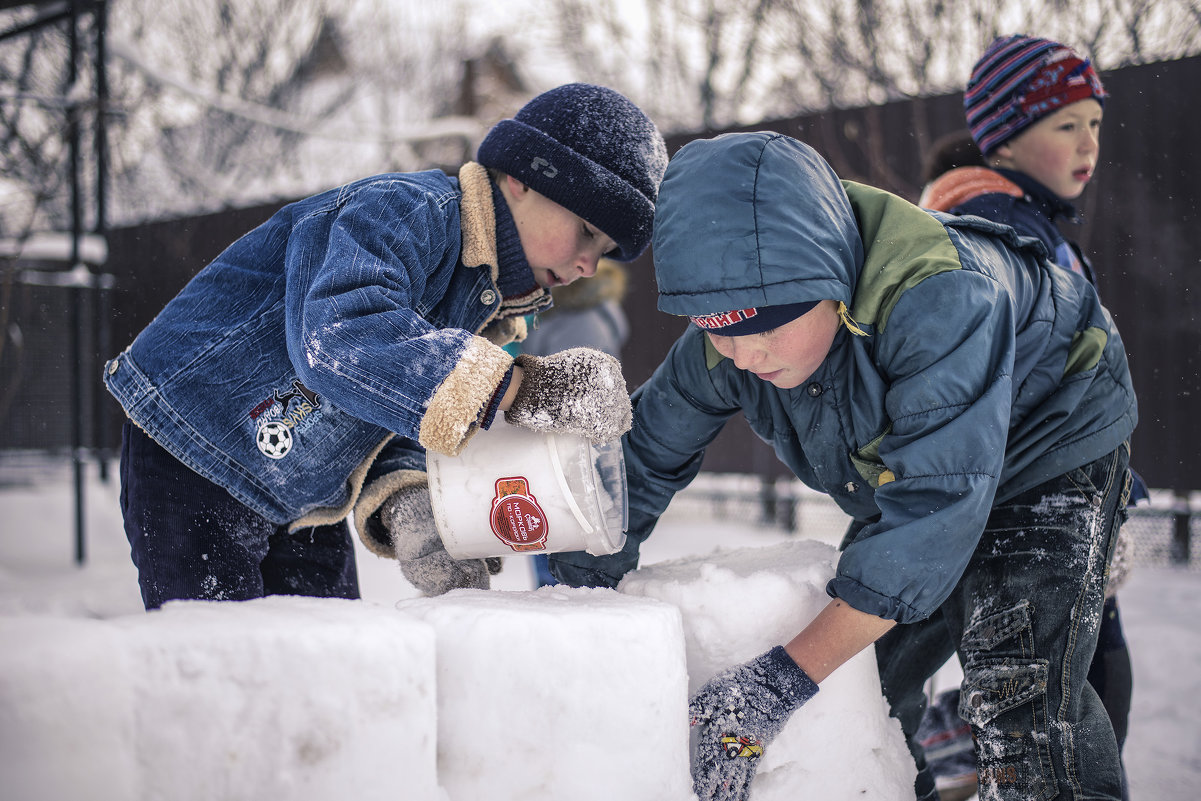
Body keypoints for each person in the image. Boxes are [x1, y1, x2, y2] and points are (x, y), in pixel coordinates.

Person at [549, 131, 1137, 801]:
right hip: (925, 466)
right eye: (717, 326)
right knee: (862, 689)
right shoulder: (725, 340)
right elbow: (639, 463)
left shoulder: (936, 298)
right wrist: (583, 612)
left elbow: (925, 525)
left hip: (1048, 435)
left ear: (828, 277)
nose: (742, 353)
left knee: (1018, 689)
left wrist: (776, 682)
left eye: (766, 323)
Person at [103, 83, 668, 610]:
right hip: (197, 442)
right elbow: (341, 338)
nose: (589, 264)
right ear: (524, 177)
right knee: (225, 662)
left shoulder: (490, 309)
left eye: (606, 250)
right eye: (588, 232)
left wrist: (416, 511)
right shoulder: (407, 212)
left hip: (307, 497)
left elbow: (397, 409)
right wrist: (520, 387)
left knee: (336, 662)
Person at [918, 36, 1144, 799]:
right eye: (1063, 125)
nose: (1087, 144)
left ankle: (959, 744)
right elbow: (1028, 373)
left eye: (1094, 123)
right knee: (1073, 707)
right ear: (1004, 135)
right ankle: (953, 746)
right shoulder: (995, 223)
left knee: (1067, 699)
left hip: (1059, 486)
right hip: (1040, 495)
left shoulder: (1029, 219)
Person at [521, 256, 631, 587]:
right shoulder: (584, 310)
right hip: (564, 449)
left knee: (562, 540)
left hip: (566, 453)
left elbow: (575, 403)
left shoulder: (577, 320)